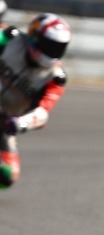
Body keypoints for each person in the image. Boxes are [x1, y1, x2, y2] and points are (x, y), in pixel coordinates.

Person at [0, 13, 71, 188]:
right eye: (49, 45)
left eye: (58, 48)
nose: (53, 51)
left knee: (8, 175)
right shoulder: (10, 39)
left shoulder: (55, 78)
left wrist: (19, 124)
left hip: (5, 121)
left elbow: (42, 113)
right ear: (35, 36)